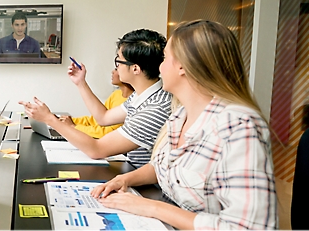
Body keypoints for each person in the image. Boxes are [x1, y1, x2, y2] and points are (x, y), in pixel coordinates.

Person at [90, 20, 277, 229]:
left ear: (182, 66)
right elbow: (165, 168)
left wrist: (151, 208)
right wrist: (125, 180)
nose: (160, 67)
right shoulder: (180, 114)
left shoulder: (239, 126)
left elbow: (249, 227)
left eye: (165, 58)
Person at [19, 29, 171, 167]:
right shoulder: (143, 96)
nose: (116, 67)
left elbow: (97, 150)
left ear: (135, 68)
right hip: (130, 170)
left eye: (118, 61)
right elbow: (103, 118)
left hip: (144, 184)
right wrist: (81, 83)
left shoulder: (154, 107)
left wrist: (50, 119)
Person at [58, 69, 135, 138]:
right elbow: (96, 120)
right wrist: (66, 120)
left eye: (116, 69)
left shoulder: (132, 103)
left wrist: (74, 127)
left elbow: (106, 132)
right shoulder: (116, 94)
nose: (112, 71)